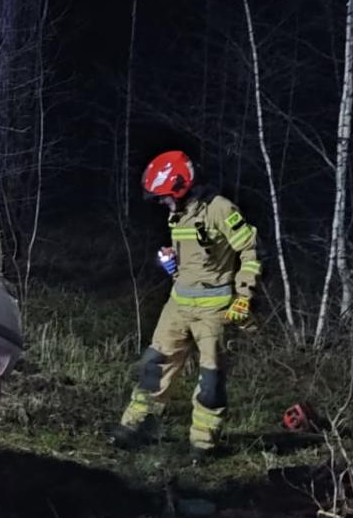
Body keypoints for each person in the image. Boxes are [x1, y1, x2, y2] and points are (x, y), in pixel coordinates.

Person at [109, 150, 260, 460]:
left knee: (210, 381)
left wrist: (244, 297)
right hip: (178, 304)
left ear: (180, 186)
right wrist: (172, 265)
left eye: (164, 196)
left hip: (214, 311)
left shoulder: (220, 209)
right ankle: (136, 427)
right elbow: (195, 258)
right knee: (154, 367)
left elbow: (250, 252)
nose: (162, 203)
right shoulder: (178, 213)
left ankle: (202, 446)